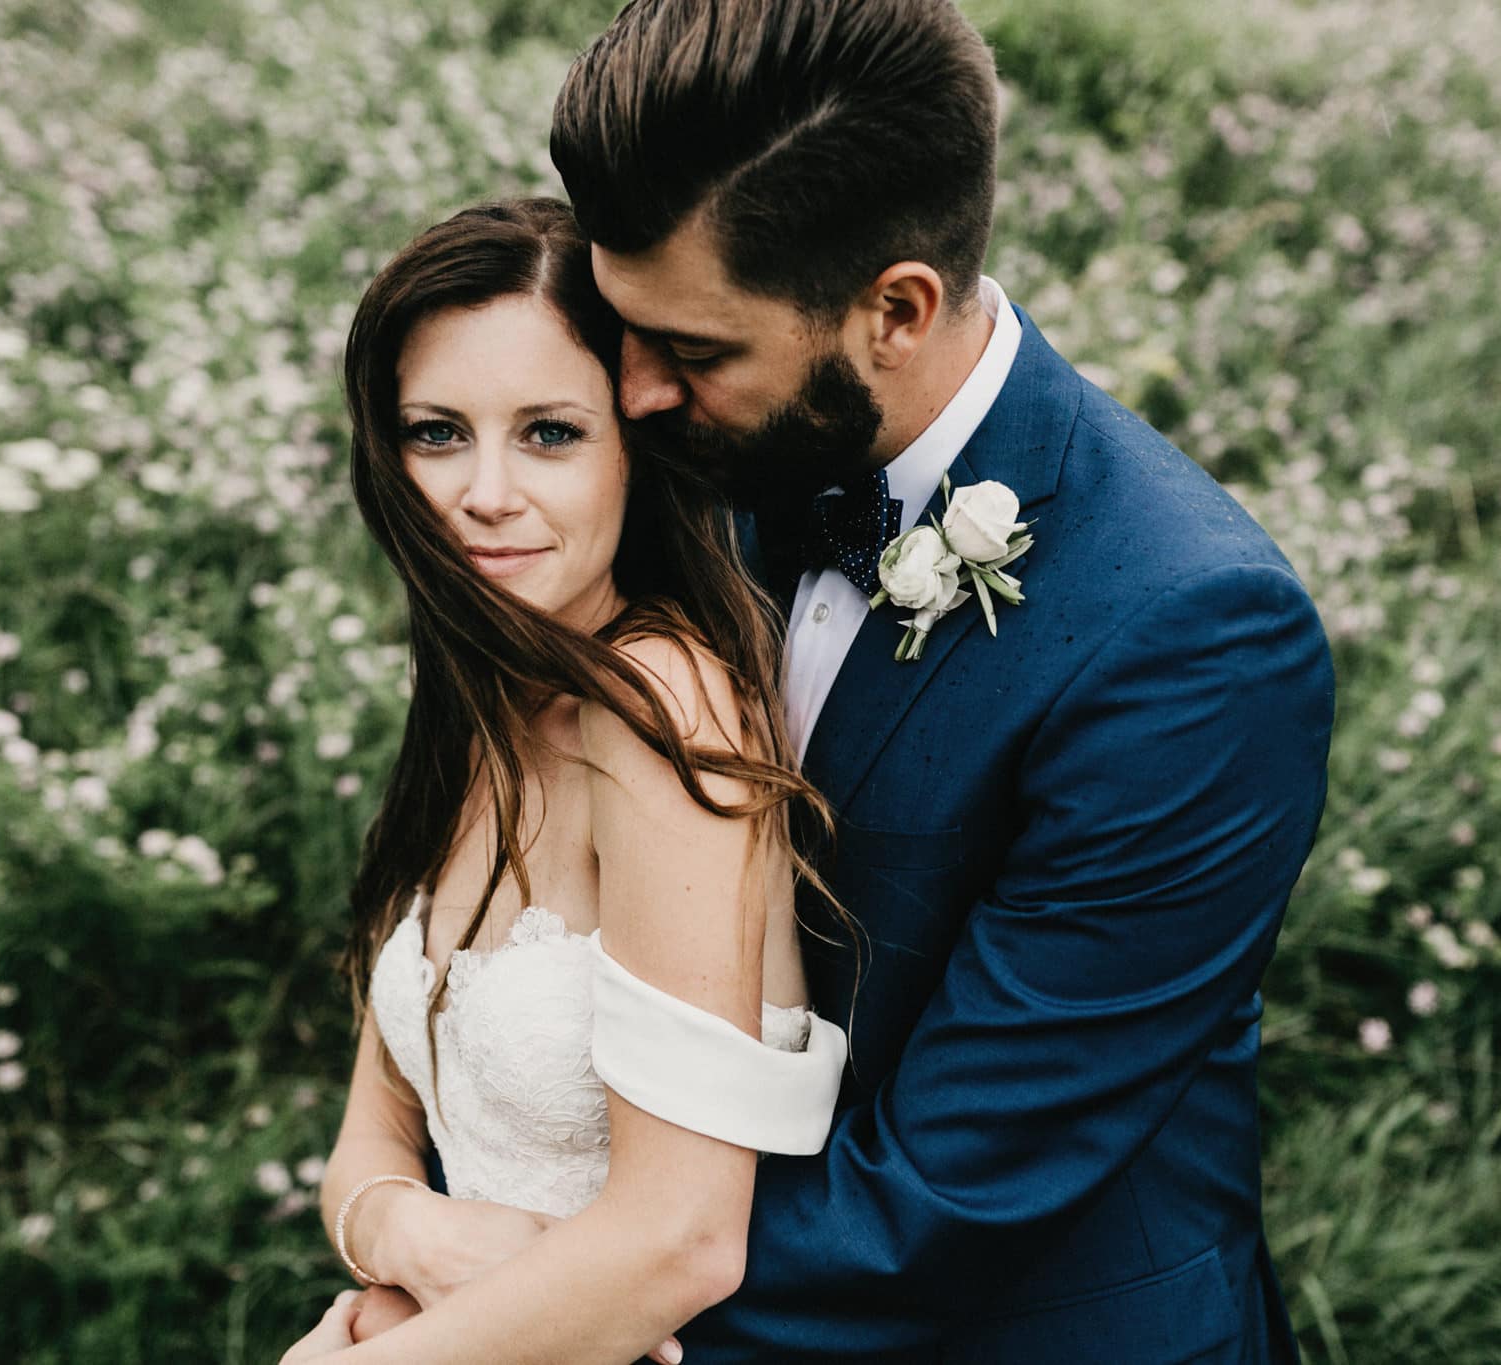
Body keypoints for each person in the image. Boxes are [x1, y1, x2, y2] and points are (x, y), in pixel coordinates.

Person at [534, 0, 1337, 1360]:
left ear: (893, 310)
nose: (633, 392)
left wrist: (538, 1312)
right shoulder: (697, 467)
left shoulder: (1192, 639)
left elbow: (955, 1194)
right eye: (625, 327)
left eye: (694, 349)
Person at [277, 197, 855, 1365]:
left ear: (634, 451)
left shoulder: (660, 712)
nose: (483, 491)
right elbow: (368, 1140)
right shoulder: (476, 700)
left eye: (548, 433)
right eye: (437, 432)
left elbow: (682, 1249)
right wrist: (412, 1239)